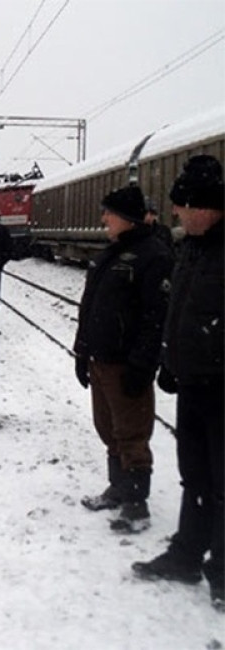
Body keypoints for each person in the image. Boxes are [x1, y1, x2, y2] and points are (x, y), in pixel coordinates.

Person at [132, 154, 224, 610]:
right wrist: (170, 360)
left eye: (181, 206)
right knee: (196, 476)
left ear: (204, 206)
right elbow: (182, 310)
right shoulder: (193, 246)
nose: (174, 214)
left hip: (220, 386)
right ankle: (188, 554)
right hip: (193, 383)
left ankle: (222, 572)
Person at [73, 184, 174, 533]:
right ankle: (117, 489)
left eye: (109, 213)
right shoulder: (110, 253)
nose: (103, 218)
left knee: (131, 434)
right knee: (108, 430)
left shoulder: (153, 256)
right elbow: (89, 306)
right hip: (100, 359)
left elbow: (155, 317)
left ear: (127, 218)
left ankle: (136, 503)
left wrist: (143, 363)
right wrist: (81, 349)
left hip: (126, 363)